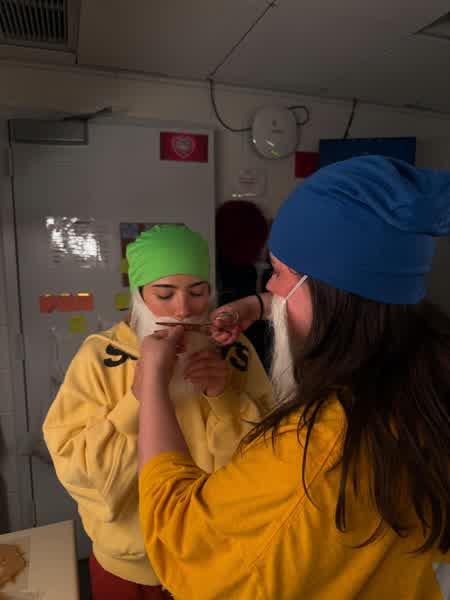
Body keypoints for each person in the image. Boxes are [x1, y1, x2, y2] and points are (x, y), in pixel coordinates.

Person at [136, 157, 450, 599]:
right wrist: (256, 307)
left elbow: (183, 537)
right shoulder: (428, 369)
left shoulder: (317, 453)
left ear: (324, 293)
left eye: (279, 275)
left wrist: (151, 386)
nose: (270, 290)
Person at [43, 224, 272, 600]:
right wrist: (138, 397)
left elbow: (268, 457)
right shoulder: (99, 357)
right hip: (129, 568)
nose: (183, 309)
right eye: (164, 294)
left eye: (197, 292)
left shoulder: (235, 351)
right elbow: (75, 467)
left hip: (218, 559)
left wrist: (223, 395)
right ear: (138, 294)